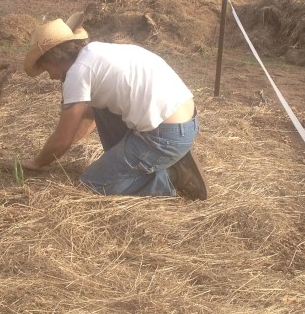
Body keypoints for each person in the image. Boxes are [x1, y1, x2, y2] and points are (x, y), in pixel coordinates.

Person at [20, 14, 208, 199]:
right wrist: (65, 145)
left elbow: (63, 138)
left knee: (93, 182)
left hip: (166, 135)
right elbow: (88, 118)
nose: (51, 76)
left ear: (55, 58)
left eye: (47, 69)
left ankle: (171, 177)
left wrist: (38, 162)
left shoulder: (78, 73)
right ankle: (152, 160)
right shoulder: (96, 53)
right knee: (99, 107)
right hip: (185, 121)